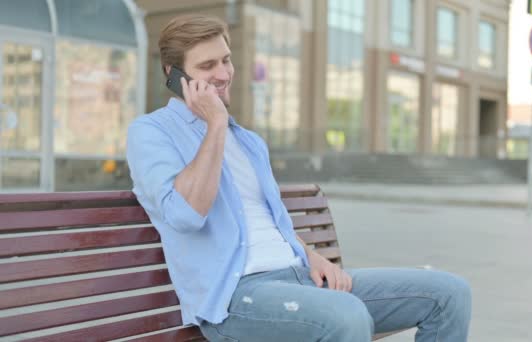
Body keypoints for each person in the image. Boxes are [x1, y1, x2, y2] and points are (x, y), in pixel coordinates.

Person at [126, 14, 471, 342]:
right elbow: (185, 215)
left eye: (226, 60)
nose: (223, 73)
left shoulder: (248, 141)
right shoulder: (151, 132)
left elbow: (268, 219)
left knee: (450, 293)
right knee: (347, 314)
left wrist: (312, 256)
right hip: (236, 299)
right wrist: (214, 124)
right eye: (207, 66)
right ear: (175, 76)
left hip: (301, 279)